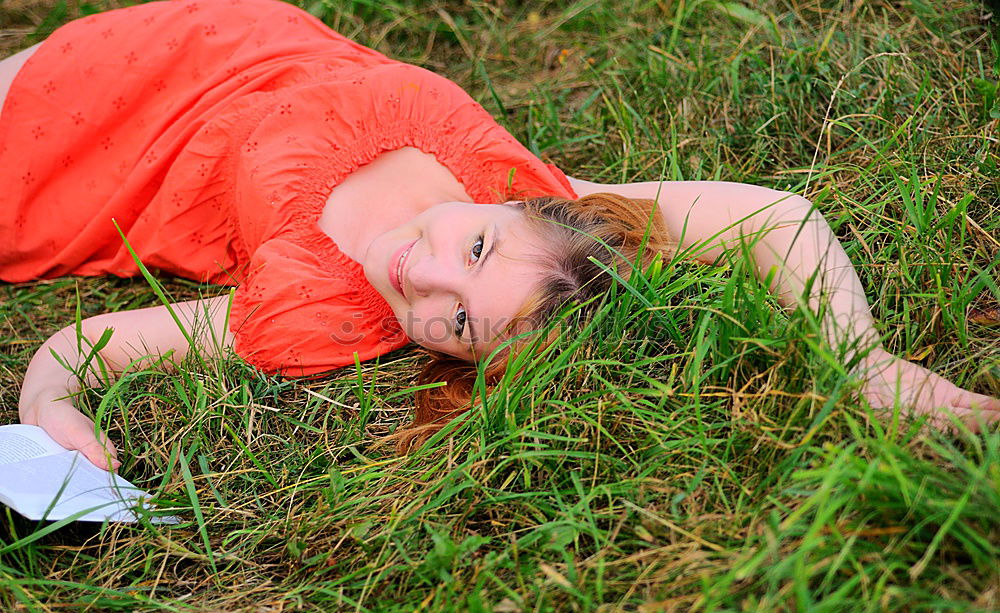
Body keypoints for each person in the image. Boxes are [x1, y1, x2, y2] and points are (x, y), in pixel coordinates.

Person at [2, 0, 997, 471]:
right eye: (473, 250)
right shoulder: (521, 181)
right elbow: (776, 216)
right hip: (220, 39)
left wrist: (52, 403)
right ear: (520, 209)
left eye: (456, 321)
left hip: (112, 164)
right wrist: (862, 362)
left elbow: (75, 351)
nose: (422, 275)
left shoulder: (317, 314)